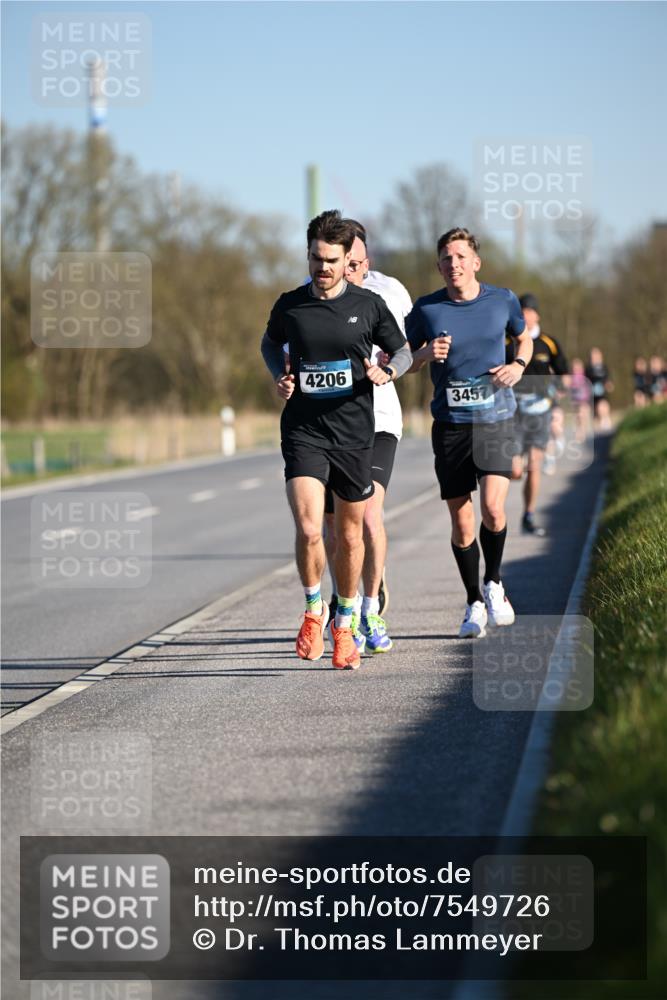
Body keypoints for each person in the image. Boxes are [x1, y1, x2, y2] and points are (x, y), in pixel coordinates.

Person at [260, 210, 411, 669]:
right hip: (304, 431)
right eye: (315, 258)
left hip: (353, 435)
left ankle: (345, 622)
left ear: (348, 260)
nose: (322, 267)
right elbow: (270, 343)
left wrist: (387, 371)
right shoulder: (290, 305)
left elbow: (403, 350)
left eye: (330, 260)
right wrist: (280, 375)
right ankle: (313, 611)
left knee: (348, 535)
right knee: (310, 529)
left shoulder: (368, 305)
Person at [405, 227, 533, 639]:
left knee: (493, 509)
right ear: (438, 266)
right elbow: (403, 360)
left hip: (496, 419)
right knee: (462, 524)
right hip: (451, 426)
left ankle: (494, 582)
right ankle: (473, 601)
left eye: (461, 256)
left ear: (476, 262)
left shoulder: (502, 300)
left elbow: (524, 339)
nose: (453, 264)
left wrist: (518, 366)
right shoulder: (427, 309)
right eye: (446, 258)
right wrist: (424, 354)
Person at [323, 219, 412, 655]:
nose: (350, 270)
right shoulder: (314, 296)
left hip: (379, 420)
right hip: (331, 424)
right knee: (335, 526)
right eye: (345, 263)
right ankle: (346, 599)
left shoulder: (388, 293)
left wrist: (394, 365)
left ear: (365, 260)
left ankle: (370, 608)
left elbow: (407, 347)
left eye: (356, 263)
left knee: (369, 515)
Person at [507, 293, 569, 537]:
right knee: (515, 471)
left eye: (529, 312)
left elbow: (563, 374)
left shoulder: (548, 343)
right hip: (514, 411)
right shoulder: (507, 342)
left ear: (537, 315)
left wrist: (557, 401)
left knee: (534, 466)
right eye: (521, 312)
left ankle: (529, 515)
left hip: (541, 411)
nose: (525, 316)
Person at [585, 347, 613, 430]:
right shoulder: (588, 369)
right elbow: (586, 381)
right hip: (592, 395)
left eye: (597, 355)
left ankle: (606, 423)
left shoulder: (604, 367)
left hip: (602, 394)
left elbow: (607, 379)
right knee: (595, 415)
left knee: (603, 406)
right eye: (593, 356)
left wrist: (609, 385)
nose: (595, 358)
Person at [569, 358, 592, 442]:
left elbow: (588, 387)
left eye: (578, 368)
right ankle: (580, 430)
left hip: (584, 399)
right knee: (578, 417)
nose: (577, 370)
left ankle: (582, 431)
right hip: (575, 400)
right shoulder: (571, 378)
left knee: (582, 415)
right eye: (575, 368)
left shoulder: (585, 376)